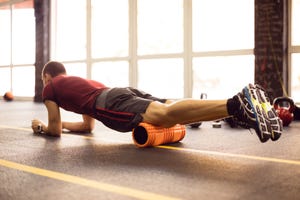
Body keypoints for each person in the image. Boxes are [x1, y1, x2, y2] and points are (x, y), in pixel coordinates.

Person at [31, 61, 283, 143]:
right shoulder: (78, 82)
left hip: (107, 103)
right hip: (117, 91)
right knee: (170, 109)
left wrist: (42, 127)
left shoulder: (50, 88)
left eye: (44, 79)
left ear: (47, 76)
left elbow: (53, 130)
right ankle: (241, 110)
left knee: (164, 114)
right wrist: (65, 126)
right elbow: (88, 127)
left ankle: (237, 104)